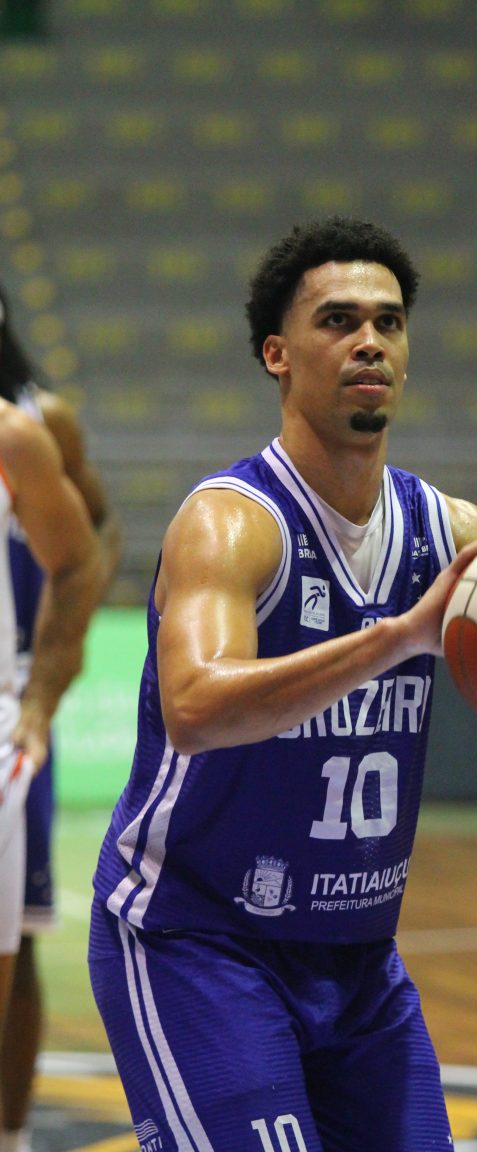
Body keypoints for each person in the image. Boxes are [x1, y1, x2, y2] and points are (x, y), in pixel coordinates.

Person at [88, 216, 477, 1152]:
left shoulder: (455, 532)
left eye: (388, 323)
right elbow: (193, 709)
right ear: (277, 353)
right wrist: (398, 638)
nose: (369, 342)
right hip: (196, 941)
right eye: (338, 321)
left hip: (357, 959)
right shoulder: (232, 523)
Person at [0, 287, 121, 1152]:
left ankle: (10, 1131)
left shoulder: (38, 427)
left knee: (24, 937)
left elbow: (91, 546)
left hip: (9, 693)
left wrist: (46, 678)